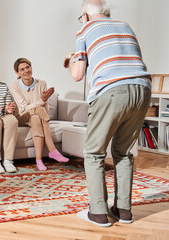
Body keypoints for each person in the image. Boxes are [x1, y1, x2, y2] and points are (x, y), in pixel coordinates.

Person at [63, 0, 151, 227]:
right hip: (142, 89)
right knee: (123, 152)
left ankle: (98, 213)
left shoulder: (85, 28)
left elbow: (77, 75)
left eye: (81, 17)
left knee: (93, 153)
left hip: (112, 91)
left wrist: (72, 57)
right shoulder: (125, 25)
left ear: (85, 15)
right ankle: (123, 211)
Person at [10, 58, 69, 171]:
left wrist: (43, 101)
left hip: (37, 116)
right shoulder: (15, 85)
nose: (26, 71)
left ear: (31, 67)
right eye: (22, 69)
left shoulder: (41, 83)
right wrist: (41, 100)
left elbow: (44, 108)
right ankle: (52, 149)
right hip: (22, 116)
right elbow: (23, 108)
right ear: (17, 73)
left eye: (28, 67)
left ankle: (39, 160)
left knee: (37, 117)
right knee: (39, 111)